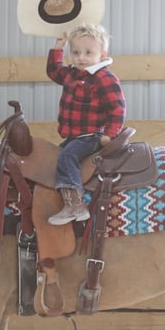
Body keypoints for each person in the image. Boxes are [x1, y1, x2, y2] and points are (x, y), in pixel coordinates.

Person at [46, 23, 126, 225]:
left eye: (88, 53)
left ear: (101, 53)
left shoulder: (104, 77)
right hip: (74, 135)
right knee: (55, 157)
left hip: (92, 135)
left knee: (67, 156)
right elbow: (54, 72)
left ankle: (75, 204)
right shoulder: (72, 74)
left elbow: (117, 108)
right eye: (76, 52)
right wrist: (58, 49)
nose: (81, 58)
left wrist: (110, 133)